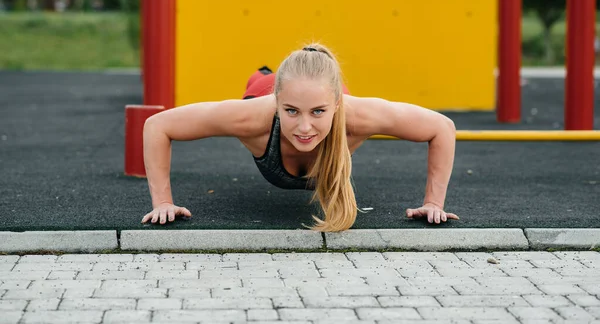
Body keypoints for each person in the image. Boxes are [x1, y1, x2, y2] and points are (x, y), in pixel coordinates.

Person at [141, 43, 459, 232]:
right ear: (278, 104)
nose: (304, 128)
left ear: (336, 106)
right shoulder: (252, 117)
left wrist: (433, 203)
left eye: (318, 112)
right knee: (260, 79)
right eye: (292, 111)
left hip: (324, 93)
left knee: (311, 93)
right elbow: (158, 126)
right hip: (264, 90)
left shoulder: (358, 116)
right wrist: (163, 203)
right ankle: (266, 78)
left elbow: (441, 127)